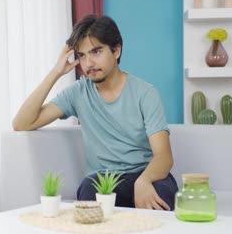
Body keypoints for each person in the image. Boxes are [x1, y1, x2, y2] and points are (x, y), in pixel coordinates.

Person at [12, 14, 178, 210]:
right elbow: (21, 123)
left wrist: (143, 181)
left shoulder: (145, 93)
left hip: (145, 174)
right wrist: (56, 72)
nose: (88, 63)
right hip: (103, 181)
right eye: (82, 55)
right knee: (88, 190)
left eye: (96, 52)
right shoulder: (78, 92)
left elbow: (164, 156)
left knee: (162, 194)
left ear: (116, 51)